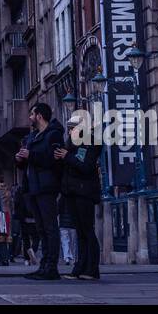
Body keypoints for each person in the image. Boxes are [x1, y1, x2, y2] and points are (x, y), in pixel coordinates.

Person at [15, 102, 66, 281]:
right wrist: (20, 159)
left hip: (47, 186)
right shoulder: (33, 137)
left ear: (39, 116)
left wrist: (31, 156)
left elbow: (55, 160)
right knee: (41, 228)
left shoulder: (53, 135)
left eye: (32, 114)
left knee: (50, 227)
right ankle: (44, 265)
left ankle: (51, 267)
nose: (29, 118)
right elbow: (26, 162)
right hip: (33, 187)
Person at [60, 111, 102, 280]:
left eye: (72, 128)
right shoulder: (71, 143)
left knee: (87, 230)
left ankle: (92, 268)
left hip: (84, 191)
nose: (70, 131)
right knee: (79, 231)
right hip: (72, 190)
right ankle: (80, 267)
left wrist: (67, 156)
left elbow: (86, 166)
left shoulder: (90, 142)